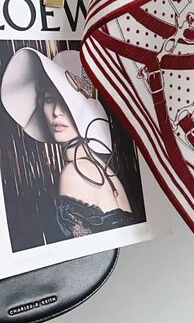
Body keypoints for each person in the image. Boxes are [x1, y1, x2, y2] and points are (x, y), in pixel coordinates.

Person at [0, 46, 139, 239]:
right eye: (50, 99)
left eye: (66, 102)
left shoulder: (75, 173)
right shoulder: (104, 170)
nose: (56, 112)